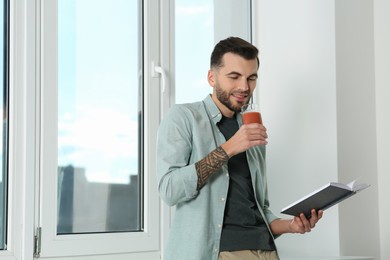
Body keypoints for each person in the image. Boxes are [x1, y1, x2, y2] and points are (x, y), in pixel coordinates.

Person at [156, 36, 323, 260]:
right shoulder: (184, 117)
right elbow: (169, 190)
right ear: (211, 78)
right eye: (234, 77)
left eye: (251, 78)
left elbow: (259, 209)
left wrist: (291, 226)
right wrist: (228, 148)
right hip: (221, 253)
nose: (244, 87)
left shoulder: (250, 127)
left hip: (266, 251)